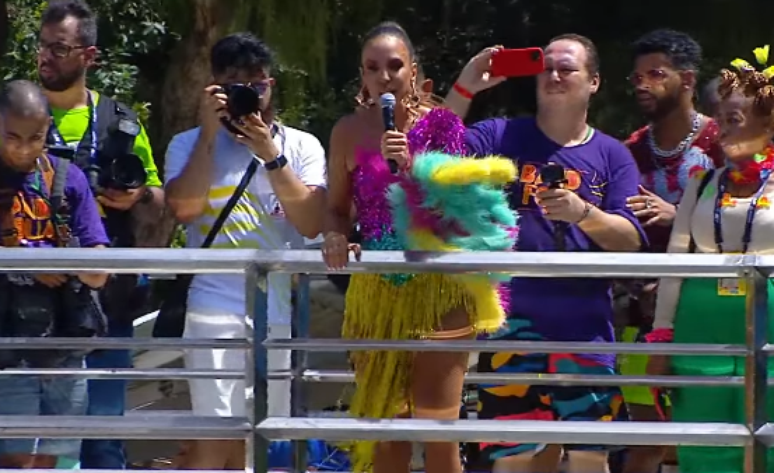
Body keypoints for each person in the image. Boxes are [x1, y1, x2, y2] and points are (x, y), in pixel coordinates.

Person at [446, 35, 646, 473]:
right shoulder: (501, 134)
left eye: (567, 68)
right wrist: (464, 88)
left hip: (587, 335)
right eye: (546, 67)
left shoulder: (614, 155)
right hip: (510, 334)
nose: (553, 76)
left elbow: (631, 240)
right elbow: (432, 158)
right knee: (512, 458)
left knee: (590, 459)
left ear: (594, 82)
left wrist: (583, 213)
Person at [322, 21, 515, 473]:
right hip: (377, 293)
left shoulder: (443, 125)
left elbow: (453, 209)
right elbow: (335, 208)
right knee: (388, 434)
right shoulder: (346, 131)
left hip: (439, 289)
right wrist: (334, 234)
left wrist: (411, 166)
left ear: (413, 71)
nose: (384, 76)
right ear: (362, 76)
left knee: (438, 430)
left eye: (394, 65)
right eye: (372, 68)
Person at [164, 32, 327, 470]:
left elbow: (311, 222)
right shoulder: (187, 144)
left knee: (263, 434)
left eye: (257, 84)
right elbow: (183, 208)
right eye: (235, 84)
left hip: (275, 311)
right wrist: (207, 134)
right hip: (210, 307)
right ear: (214, 86)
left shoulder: (301, 145)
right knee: (217, 434)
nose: (248, 94)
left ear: (271, 84)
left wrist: (270, 153)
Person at [36, 1, 168, 468]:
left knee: (104, 431)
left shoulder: (121, 122)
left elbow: (158, 199)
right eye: (41, 45)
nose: (44, 57)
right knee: (24, 436)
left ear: (89, 55)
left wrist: (136, 199)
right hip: (26, 302)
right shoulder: (15, 115)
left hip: (105, 301)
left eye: (59, 48)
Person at [647, 47, 774, 473]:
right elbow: (675, 261)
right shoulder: (702, 183)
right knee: (704, 437)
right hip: (700, 325)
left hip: (768, 320)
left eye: (733, 119)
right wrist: (662, 336)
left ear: (769, 124)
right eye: (719, 116)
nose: (719, 128)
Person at [619, 29, 725, 473]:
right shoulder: (628, 150)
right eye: (637, 76)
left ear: (686, 80)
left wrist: (677, 213)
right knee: (647, 436)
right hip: (642, 315)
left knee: (712, 433)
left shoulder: (725, 143)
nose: (643, 84)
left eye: (655, 74)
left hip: (708, 314)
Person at [0, 79, 109, 469]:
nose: (25, 148)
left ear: (48, 127)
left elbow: (99, 270)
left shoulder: (67, 179)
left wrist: (50, 260)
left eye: (36, 137)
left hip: (64, 345)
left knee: (60, 461)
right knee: (13, 460)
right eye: (12, 136)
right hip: (6, 352)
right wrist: (31, 263)